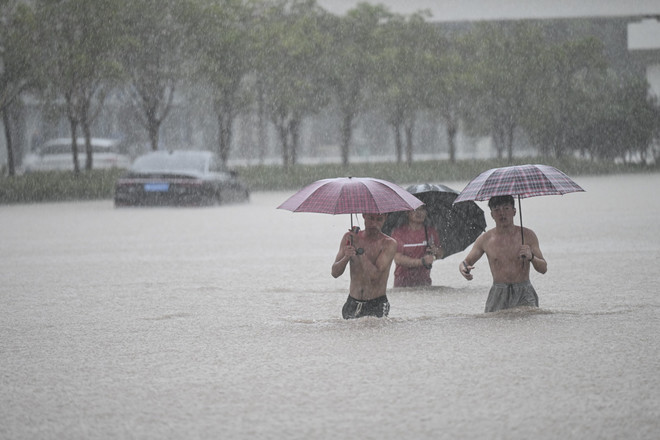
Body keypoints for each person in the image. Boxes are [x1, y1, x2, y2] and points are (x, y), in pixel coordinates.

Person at [459, 195, 547, 313]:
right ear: (492, 215)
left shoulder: (527, 235)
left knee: (527, 326)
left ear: (514, 211)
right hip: (499, 292)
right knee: (495, 327)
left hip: (524, 291)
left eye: (506, 209)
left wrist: (532, 257)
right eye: (497, 210)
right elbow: (466, 262)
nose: (502, 213)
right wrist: (464, 269)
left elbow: (543, 268)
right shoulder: (485, 239)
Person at [331, 213, 397, 319]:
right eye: (371, 218)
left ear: (385, 218)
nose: (374, 224)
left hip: (376, 304)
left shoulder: (389, 244)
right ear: (364, 215)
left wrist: (360, 249)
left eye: (379, 219)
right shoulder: (349, 238)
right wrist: (346, 257)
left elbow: (374, 277)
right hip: (352, 303)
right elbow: (335, 273)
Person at [390, 206, 443, 287]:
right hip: (402, 285)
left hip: (424, 284)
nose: (419, 213)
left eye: (422, 209)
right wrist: (421, 262)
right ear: (407, 212)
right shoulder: (398, 233)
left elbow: (440, 254)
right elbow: (398, 258)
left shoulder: (430, 232)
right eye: (415, 209)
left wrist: (435, 251)